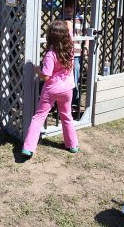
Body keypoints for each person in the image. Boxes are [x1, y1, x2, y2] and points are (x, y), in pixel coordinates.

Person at [21, 20, 79, 158]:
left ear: (50, 37)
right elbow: (69, 30)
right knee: (66, 116)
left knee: (39, 116)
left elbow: (46, 77)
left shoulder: (50, 54)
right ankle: (72, 145)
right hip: (67, 89)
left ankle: (28, 147)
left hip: (52, 90)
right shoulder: (69, 48)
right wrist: (67, 25)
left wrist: (36, 69)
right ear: (66, 36)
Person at [62, 0, 89, 106]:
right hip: (63, 53)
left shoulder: (81, 18)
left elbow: (87, 34)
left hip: (77, 53)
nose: (68, 9)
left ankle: (75, 100)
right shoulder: (61, 18)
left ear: (76, 7)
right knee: (64, 77)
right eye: (67, 6)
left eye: (71, 6)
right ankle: (64, 100)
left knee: (75, 75)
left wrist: (86, 47)